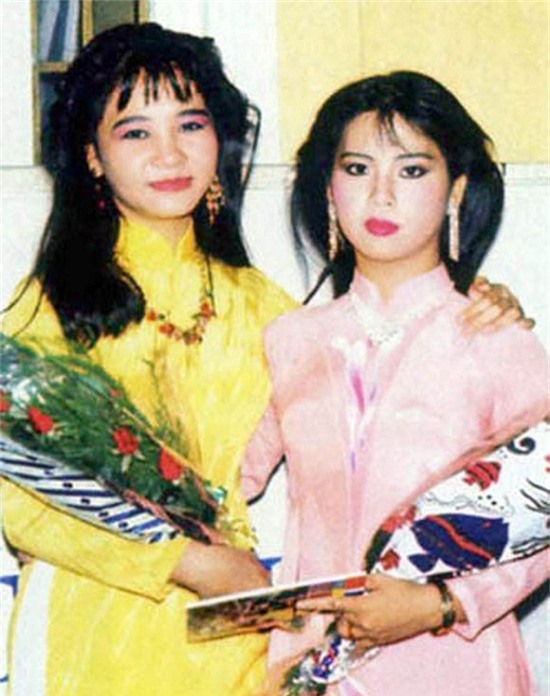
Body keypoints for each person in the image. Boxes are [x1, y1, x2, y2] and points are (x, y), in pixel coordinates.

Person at [0, 23, 533, 696]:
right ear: (93, 157)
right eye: (136, 132)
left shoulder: (265, 310)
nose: (169, 154)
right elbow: (19, 498)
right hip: (92, 627)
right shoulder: (53, 304)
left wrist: (481, 302)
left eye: (190, 125)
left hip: (237, 643)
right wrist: (180, 561)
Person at [241, 71, 549, 695]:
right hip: (315, 664)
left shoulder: (497, 339)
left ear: (455, 189)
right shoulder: (289, 340)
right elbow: (224, 480)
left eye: (411, 171)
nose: (380, 195)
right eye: (357, 169)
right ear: (328, 188)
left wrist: (444, 604)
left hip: (452, 659)